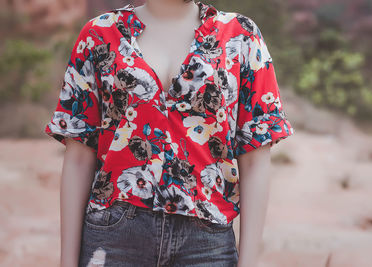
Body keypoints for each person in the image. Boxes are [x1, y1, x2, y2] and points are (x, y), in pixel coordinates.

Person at [44, 0, 295, 266]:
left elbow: (255, 158)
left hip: (206, 242)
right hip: (114, 235)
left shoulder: (241, 35)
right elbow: (79, 156)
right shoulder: (99, 34)